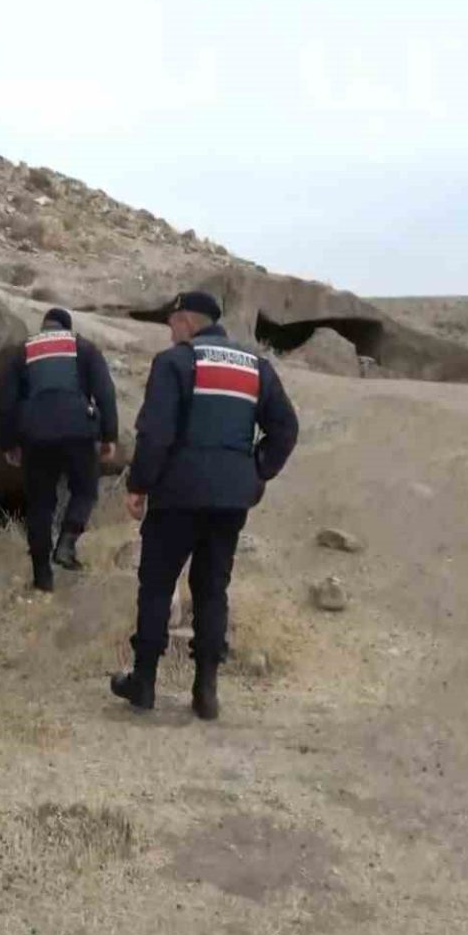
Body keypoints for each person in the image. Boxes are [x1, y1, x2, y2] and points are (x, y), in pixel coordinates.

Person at [112, 290, 298, 720]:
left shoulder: (174, 362)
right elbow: (286, 428)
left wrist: (138, 485)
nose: (169, 331)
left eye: (171, 322)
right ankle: (206, 691)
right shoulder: (256, 367)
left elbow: (155, 434)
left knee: (157, 584)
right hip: (230, 501)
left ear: (187, 321)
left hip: (177, 496)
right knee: (212, 588)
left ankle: (144, 683)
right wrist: (256, 471)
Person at [0, 307, 120, 593]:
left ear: (44, 326)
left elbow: (6, 401)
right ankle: (67, 543)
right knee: (85, 490)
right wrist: (109, 436)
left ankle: (42, 578)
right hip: (79, 431)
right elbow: (105, 392)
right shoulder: (83, 348)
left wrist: (8, 442)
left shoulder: (22, 352)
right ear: (67, 326)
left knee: (40, 504)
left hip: (36, 435)